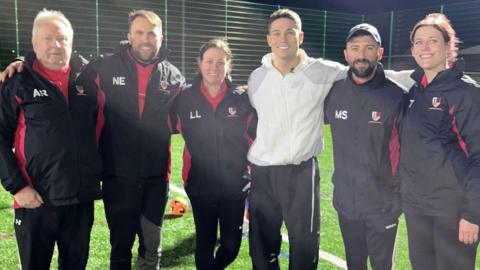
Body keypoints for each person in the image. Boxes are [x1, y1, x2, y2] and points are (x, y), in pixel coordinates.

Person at [0, 9, 104, 270]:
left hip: (80, 199)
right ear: (34, 43)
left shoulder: (88, 80)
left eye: (62, 39)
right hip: (36, 199)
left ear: (72, 42)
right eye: (47, 38)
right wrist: (18, 188)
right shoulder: (17, 81)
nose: (56, 45)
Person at [246, 8, 348, 269]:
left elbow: (365, 76)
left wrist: (420, 76)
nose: (283, 38)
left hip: (302, 173)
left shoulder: (323, 71)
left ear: (300, 37)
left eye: (290, 32)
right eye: (277, 33)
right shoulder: (257, 78)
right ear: (268, 39)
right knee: (261, 247)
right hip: (263, 173)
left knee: (304, 247)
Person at [86, 10, 185, 270]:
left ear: (161, 37)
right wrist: (24, 61)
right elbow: (65, 75)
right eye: (139, 32)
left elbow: (191, 113)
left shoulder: (174, 77)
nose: (145, 39)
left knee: (152, 249)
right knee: (120, 246)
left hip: (155, 179)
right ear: (129, 36)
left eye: (151, 33)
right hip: (117, 177)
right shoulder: (104, 67)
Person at [398, 13, 480, 270]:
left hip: (453, 212)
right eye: (418, 42)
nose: (424, 47)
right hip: (417, 208)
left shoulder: (466, 93)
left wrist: (472, 214)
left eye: (432, 40)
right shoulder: (414, 91)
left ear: (448, 46)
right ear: (412, 50)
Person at [324, 23, 404, 270]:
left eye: (369, 48)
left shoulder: (397, 96)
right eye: (355, 48)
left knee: (381, 265)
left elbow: (407, 152)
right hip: (346, 201)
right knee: (355, 264)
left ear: (379, 53)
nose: (361, 55)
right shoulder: (334, 92)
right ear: (346, 54)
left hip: (383, 203)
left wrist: (397, 195)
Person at [172, 38, 256, 270]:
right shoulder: (184, 99)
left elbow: (255, 136)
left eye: (221, 62)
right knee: (205, 243)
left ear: (229, 65)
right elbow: (170, 126)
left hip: (235, 185)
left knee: (231, 246)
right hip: (200, 185)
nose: (214, 68)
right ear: (199, 63)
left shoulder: (243, 98)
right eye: (209, 61)